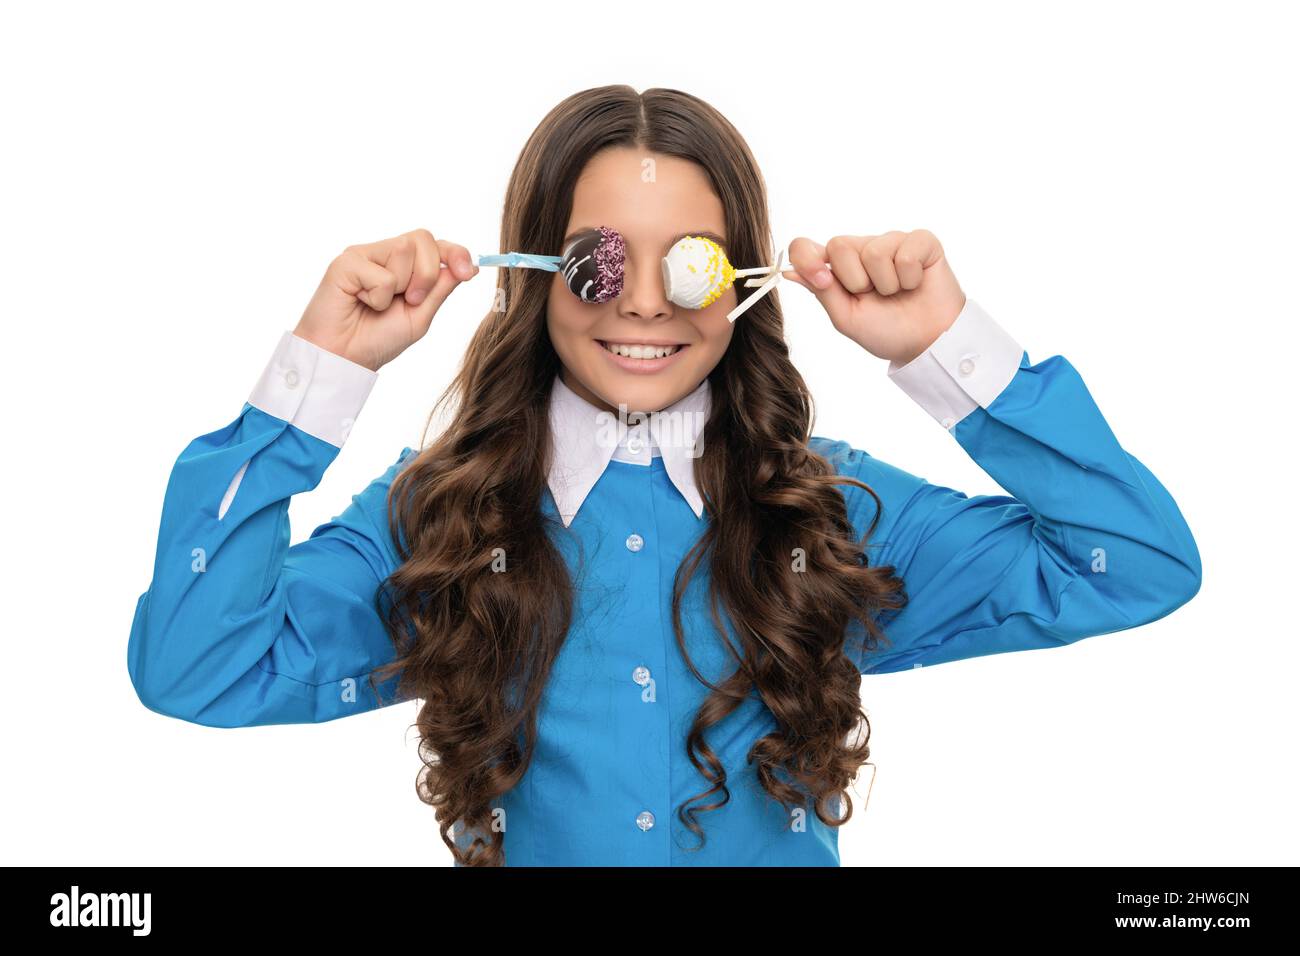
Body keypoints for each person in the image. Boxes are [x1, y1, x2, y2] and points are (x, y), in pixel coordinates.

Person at [127, 85, 1201, 867]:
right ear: (537, 279)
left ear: (739, 285)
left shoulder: (828, 513)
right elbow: (198, 664)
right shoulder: (444, 518)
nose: (642, 303)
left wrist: (948, 347)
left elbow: (1133, 562)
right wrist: (314, 377)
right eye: (597, 260)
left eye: (688, 263)